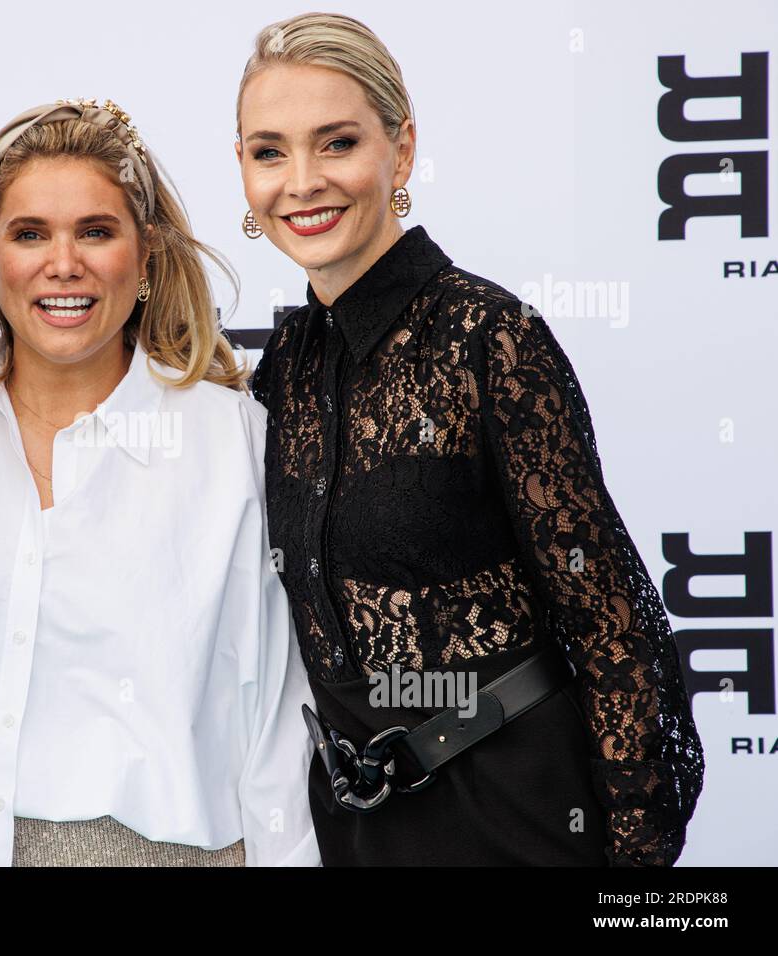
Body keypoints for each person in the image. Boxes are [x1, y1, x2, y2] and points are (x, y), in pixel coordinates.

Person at [236, 13, 704, 866]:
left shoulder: (489, 338)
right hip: (349, 825)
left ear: (401, 150)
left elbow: (608, 617)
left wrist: (635, 868)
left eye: (335, 142)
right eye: (269, 152)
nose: (300, 181)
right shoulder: (285, 365)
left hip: (512, 809)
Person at [0, 98, 319, 866]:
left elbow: (280, 726)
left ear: (147, 253)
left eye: (96, 231)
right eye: (30, 234)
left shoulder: (234, 443)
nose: (64, 264)